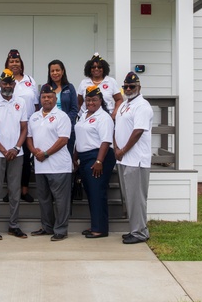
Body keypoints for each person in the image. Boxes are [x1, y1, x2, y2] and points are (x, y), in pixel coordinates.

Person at [0, 68, 29, 240]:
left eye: (10, 82)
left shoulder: (21, 102)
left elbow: (24, 128)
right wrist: (3, 149)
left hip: (17, 153)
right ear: (0, 83)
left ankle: (13, 225)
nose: (7, 85)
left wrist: (16, 148)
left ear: (14, 84)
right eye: (4, 82)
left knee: (15, 190)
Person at [27, 84, 73, 241]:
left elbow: (63, 140)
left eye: (50, 97)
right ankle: (47, 227)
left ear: (55, 99)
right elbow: (29, 138)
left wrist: (46, 153)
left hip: (59, 166)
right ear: (40, 99)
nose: (46, 99)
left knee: (61, 200)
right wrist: (34, 152)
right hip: (40, 166)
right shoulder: (34, 117)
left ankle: (61, 230)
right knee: (44, 199)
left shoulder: (62, 116)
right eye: (44, 97)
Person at [113, 71, 153, 244]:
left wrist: (122, 150)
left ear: (139, 87)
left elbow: (137, 132)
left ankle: (140, 233)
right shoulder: (124, 105)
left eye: (132, 86)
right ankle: (134, 229)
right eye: (126, 86)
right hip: (122, 159)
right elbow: (116, 126)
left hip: (136, 160)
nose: (128, 89)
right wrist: (116, 148)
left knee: (137, 198)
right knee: (129, 197)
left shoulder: (142, 106)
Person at [74, 84, 116, 238]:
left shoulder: (103, 117)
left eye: (94, 100)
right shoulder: (84, 114)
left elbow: (106, 141)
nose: (91, 102)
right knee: (91, 193)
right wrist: (75, 157)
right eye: (88, 99)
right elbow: (80, 138)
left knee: (97, 192)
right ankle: (96, 226)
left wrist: (99, 161)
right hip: (85, 157)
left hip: (99, 156)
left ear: (100, 100)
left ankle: (100, 229)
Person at [2, 49, 37, 203]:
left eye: (17, 61)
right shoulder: (4, 81)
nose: (14, 64)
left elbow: (36, 104)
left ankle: (24, 190)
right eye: (11, 61)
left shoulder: (30, 80)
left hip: (28, 126)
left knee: (25, 159)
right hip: (9, 126)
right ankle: (10, 191)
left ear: (21, 64)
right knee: (9, 158)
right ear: (7, 65)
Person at [46, 59, 78, 159]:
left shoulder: (70, 87)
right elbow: (43, 108)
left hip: (67, 128)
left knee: (66, 157)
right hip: (50, 127)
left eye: (57, 70)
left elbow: (74, 109)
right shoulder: (46, 88)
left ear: (63, 71)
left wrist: (62, 121)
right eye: (52, 71)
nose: (55, 73)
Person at [77, 53, 123, 120]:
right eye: (93, 67)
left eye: (99, 67)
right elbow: (79, 102)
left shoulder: (111, 81)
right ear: (89, 69)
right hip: (86, 118)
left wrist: (114, 113)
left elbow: (119, 99)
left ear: (104, 68)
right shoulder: (84, 83)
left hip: (106, 118)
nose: (96, 69)